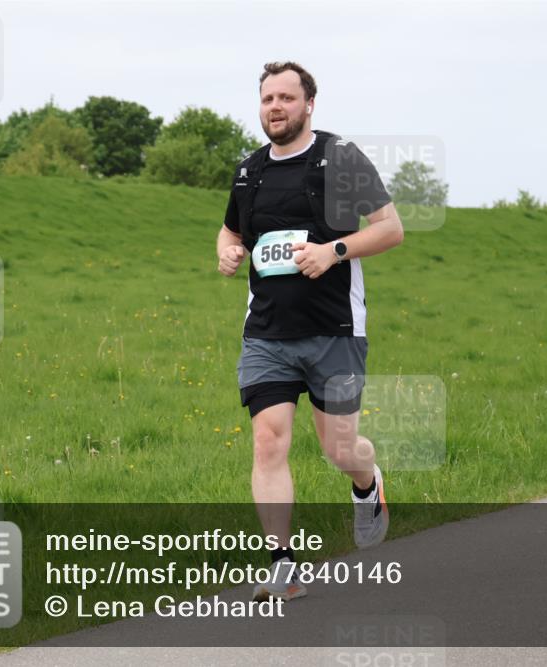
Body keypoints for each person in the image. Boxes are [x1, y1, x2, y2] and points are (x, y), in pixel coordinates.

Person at [217, 61, 404, 600]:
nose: (275, 107)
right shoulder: (249, 170)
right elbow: (230, 231)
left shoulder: (338, 158)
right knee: (267, 442)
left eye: (286, 98)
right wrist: (228, 253)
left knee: (339, 448)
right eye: (267, 98)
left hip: (334, 330)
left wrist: (333, 250)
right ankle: (283, 564)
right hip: (266, 333)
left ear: (309, 105)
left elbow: (390, 228)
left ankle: (367, 487)